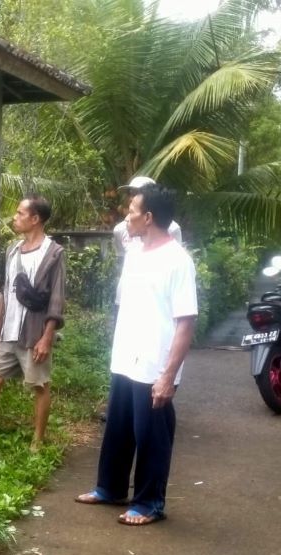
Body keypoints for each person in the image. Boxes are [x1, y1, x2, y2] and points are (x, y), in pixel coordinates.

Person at [76, 184, 197, 526]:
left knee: (152, 437)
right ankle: (109, 488)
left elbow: (185, 323)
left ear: (148, 217)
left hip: (154, 366)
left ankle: (149, 503)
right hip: (126, 358)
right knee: (118, 429)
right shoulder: (134, 252)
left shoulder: (178, 261)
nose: (125, 217)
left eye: (131, 211)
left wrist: (168, 376)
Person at [0, 195, 66, 451]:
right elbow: (7, 295)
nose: (15, 218)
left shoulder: (53, 253)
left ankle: (37, 441)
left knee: (40, 386)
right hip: (9, 331)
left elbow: (56, 298)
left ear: (35, 219)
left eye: (20, 213)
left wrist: (47, 337)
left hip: (34, 333)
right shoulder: (12, 251)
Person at [111, 176, 182, 260]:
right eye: (130, 193)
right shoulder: (120, 230)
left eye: (137, 193)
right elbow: (121, 260)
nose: (131, 198)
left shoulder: (172, 229)